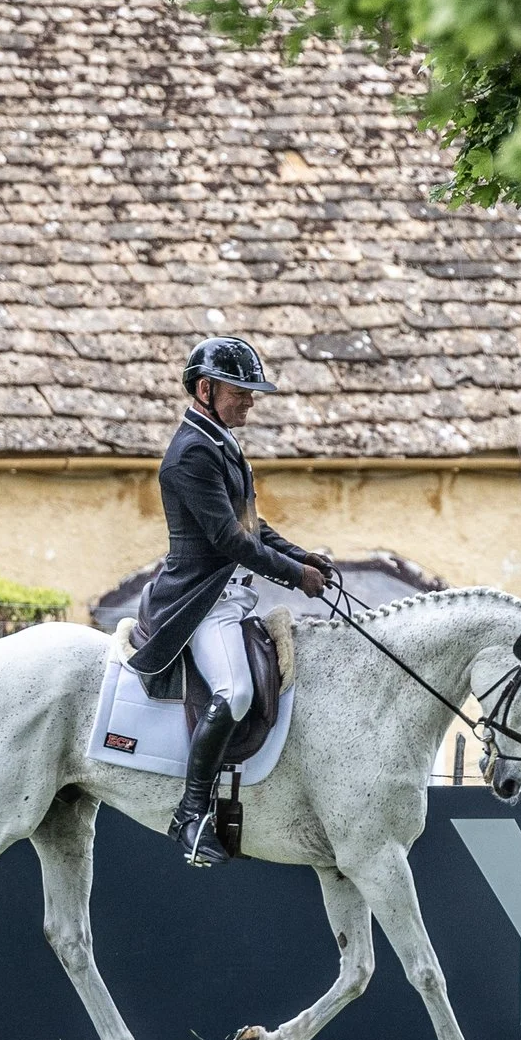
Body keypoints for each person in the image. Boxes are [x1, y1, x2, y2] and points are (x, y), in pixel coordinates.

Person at [129, 336, 334, 866]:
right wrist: (296, 577)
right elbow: (230, 542)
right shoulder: (191, 453)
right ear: (206, 388)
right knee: (237, 690)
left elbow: (251, 524)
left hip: (228, 597)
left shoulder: (220, 441)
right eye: (241, 390)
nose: (250, 400)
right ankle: (191, 814)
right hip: (198, 602)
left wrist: (303, 556)